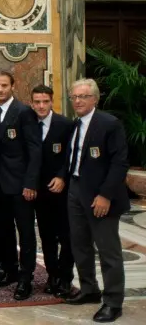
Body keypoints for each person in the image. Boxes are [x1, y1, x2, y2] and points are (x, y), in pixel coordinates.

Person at [64, 78, 129, 323]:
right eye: (74, 97)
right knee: (80, 244)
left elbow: (119, 163)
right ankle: (89, 289)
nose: (78, 101)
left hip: (101, 195)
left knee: (108, 250)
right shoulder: (76, 124)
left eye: (83, 96)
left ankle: (113, 302)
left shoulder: (109, 124)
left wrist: (105, 195)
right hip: (76, 190)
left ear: (95, 99)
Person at [0, 71, 41, 301]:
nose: (0, 90)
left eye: (4, 86)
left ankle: (25, 277)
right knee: (4, 231)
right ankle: (9, 270)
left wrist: (30, 183)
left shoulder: (23, 112)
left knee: (26, 233)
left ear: (12, 86)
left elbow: (34, 150)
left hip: (20, 185)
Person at [30, 85, 74, 298]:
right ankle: (52, 274)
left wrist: (62, 176)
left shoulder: (65, 124)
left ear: (51, 101)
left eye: (45, 101)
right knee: (46, 236)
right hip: (39, 191)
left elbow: (71, 155)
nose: (41, 105)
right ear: (32, 103)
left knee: (66, 236)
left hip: (61, 190)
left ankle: (65, 277)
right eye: (37, 101)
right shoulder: (29, 124)